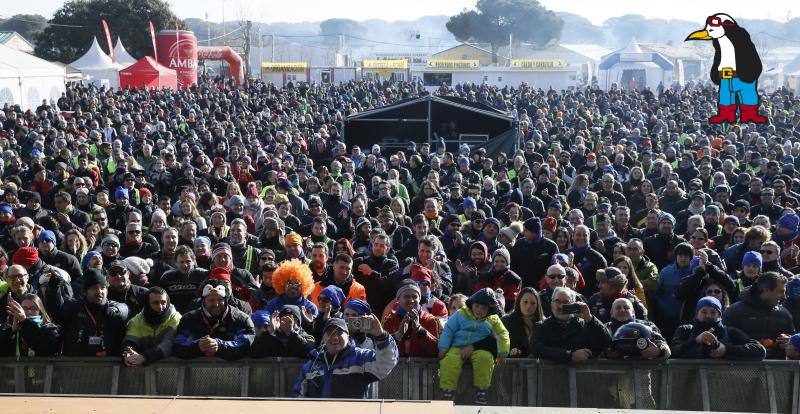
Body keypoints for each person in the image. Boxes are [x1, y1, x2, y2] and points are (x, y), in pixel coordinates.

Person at [292, 316, 398, 398]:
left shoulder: (360, 358)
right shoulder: (312, 365)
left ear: (348, 336)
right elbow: (298, 397)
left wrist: (381, 336)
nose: (334, 337)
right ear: (323, 338)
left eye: (339, 332)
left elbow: (386, 363)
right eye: (329, 332)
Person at [438, 288, 510, 404]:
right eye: (477, 306)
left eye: (483, 308)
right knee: (449, 360)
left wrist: (502, 353)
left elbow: (502, 334)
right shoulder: (461, 314)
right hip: (458, 346)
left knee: (485, 358)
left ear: (489, 309)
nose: (479, 310)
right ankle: (447, 390)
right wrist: (443, 347)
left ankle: (482, 389)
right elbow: (449, 330)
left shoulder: (493, 319)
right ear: (472, 304)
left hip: (480, 348)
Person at [46, 268, 129, 356]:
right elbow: (57, 311)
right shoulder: (75, 306)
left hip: (108, 365)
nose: (99, 291)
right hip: (75, 364)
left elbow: (125, 310)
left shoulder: (112, 306)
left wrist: (111, 311)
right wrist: (54, 291)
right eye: (94, 288)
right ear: (85, 292)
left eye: (103, 288)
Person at [173, 280, 255, 360]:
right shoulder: (189, 319)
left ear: (226, 300)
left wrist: (220, 345)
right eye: (211, 300)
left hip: (233, 372)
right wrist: (197, 346)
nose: (216, 304)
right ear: (203, 301)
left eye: (219, 300)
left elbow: (246, 344)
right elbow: (177, 345)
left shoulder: (242, 319)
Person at [723, 272, 795, 359]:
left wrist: (789, 341)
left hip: (776, 370)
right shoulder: (734, 312)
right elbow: (724, 342)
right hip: (742, 370)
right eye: (780, 292)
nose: (784, 296)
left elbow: (793, 339)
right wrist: (752, 348)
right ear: (766, 290)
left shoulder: (784, 314)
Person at [671, 296, 766, 360]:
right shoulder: (686, 330)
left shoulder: (730, 332)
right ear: (696, 314)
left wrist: (726, 349)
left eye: (713, 312)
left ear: (719, 315)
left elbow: (759, 350)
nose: (708, 316)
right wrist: (695, 340)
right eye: (704, 311)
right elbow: (674, 351)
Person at [532, 287, 612, 362]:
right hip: (551, 374)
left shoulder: (585, 325)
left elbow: (606, 342)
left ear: (573, 304)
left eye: (566, 302)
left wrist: (590, 318)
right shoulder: (542, 326)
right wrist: (569, 355)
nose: (561, 306)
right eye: (557, 301)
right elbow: (537, 349)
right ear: (551, 304)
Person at [121, 286, 181, 366]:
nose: (160, 307)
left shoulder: (176, 318)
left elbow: (169, 344)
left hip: (171, 369)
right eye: (155, 303)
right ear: (147, 304)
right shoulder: (136, 321)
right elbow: (130, 341)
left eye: (163, 302)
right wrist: (128, 354)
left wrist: (144, 357)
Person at [381, 280, 441, 357]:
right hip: (396, 368)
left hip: (423, 367)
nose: (411, 300)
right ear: (398, 300)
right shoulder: (389, 320)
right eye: (406, 296)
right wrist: (398, 335)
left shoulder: (431, 320)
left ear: (419, 299)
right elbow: (381, 351)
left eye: (415, 296)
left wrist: (419, 330)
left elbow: (437, 351)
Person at [250, 304, 316, 358]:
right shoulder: (272, 336)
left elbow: (311, 353)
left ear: (298, 322)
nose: (288, 322)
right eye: (284, 319)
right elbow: (254, 353)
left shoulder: (306, 336)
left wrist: (292, 333)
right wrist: (270, 332)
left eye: (292, 319)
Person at [510, 217, 559, 288]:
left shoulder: (551, 246)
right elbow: (512, 264)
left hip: (542, 288)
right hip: (520, 286)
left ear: (535, 232)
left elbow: (555, 268)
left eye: (526, 231)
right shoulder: (519, 244)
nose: (523, 233)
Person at [501, 287, 544, 358]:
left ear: (537, 305)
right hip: (511, 366)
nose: (528, 306)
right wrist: (510, 353)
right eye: (525, 302)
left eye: (533, 303)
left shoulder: (544, 324)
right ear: (519, 302)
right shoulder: (506, 321)